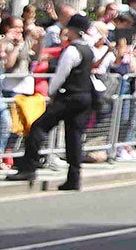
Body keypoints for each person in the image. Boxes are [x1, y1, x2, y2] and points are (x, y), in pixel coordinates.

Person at [11, 12, 96, 190]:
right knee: (74, 137)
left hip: (68, 96)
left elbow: (61, 75)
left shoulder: (72, 50)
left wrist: (50, 92)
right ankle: (74, 177)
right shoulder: (88, 50)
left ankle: (29, 167)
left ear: (73, 30)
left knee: (38, 127)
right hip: (84, 96)